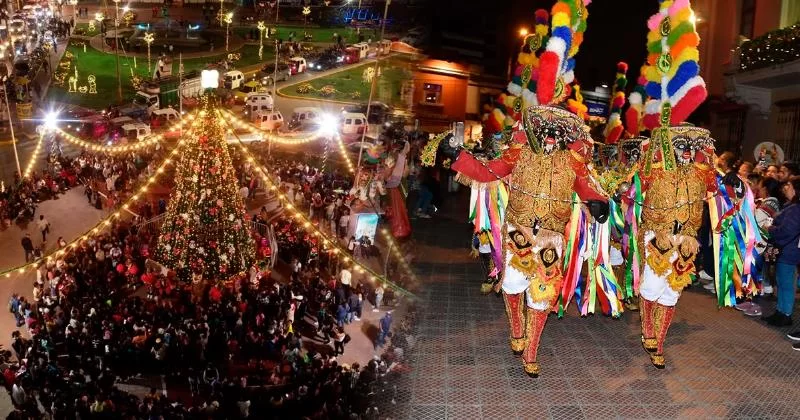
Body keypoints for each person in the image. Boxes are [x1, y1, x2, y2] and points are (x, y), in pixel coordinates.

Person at [764, 178, 800, 328]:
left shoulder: (796, 209)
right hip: (787, 251)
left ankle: (785, 314)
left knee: (785, 284)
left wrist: (770, 229)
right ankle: (780, 311)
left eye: (789, 186)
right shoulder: (792, 207)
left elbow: (787, 231)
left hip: (788, 252)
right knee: (781, 282)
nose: (786, 188)